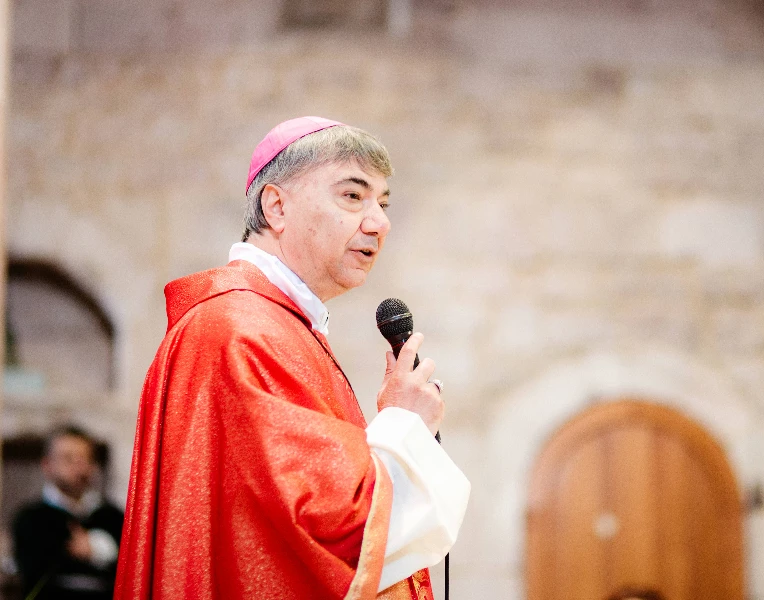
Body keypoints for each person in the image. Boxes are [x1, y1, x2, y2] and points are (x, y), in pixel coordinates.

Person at [114, 117, 470, 600]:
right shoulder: (242, 331)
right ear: (276, 206)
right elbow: (338, 527)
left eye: (383, 204)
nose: (380, 222)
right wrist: (404, 425)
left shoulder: (272, 324)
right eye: (353, 196)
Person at [13, 425, 124, 600]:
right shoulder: (30, 518)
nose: (79, 466)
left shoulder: (113, 517)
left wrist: (96, 550)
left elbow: (128, 571)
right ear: (47, 465)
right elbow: (34, 571)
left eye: (85, 458)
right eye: (68, 458)